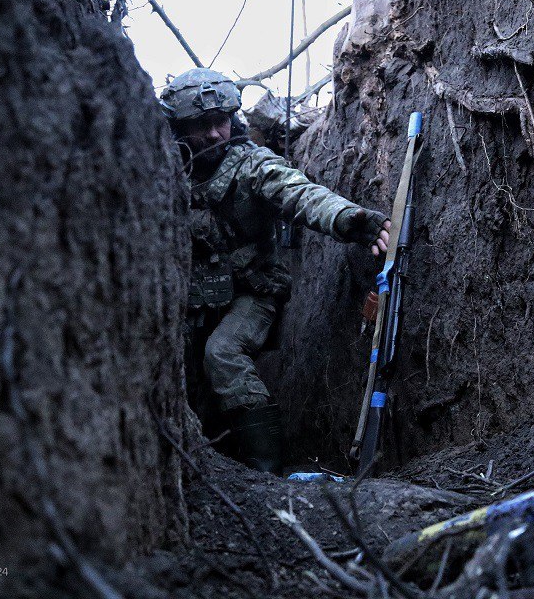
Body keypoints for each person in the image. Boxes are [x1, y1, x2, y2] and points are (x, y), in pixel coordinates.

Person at [161, 68, 390, 474]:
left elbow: (298, 193)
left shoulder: (251, 163)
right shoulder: (163, 171)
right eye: (202, 125)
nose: (215, 133)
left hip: (253, 293)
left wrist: (348, 219)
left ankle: (265, 471)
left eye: (222, 121)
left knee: (223, 353)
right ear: (179, 127)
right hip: (190, 296)